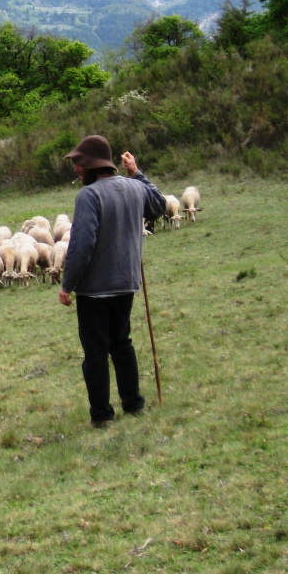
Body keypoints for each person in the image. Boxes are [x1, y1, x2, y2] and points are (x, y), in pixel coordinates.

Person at [57, 135, 166, 428]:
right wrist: (137, 174)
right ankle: (133, 404)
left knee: (95, 353)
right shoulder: (134, 188)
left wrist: (68, 284)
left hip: (95, 289)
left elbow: (82, 244)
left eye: (79, 164)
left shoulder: (89, 196)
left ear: (92, 165)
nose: (77, 169)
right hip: (127, 283)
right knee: (121, 343)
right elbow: (158, 206)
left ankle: (102, 414)